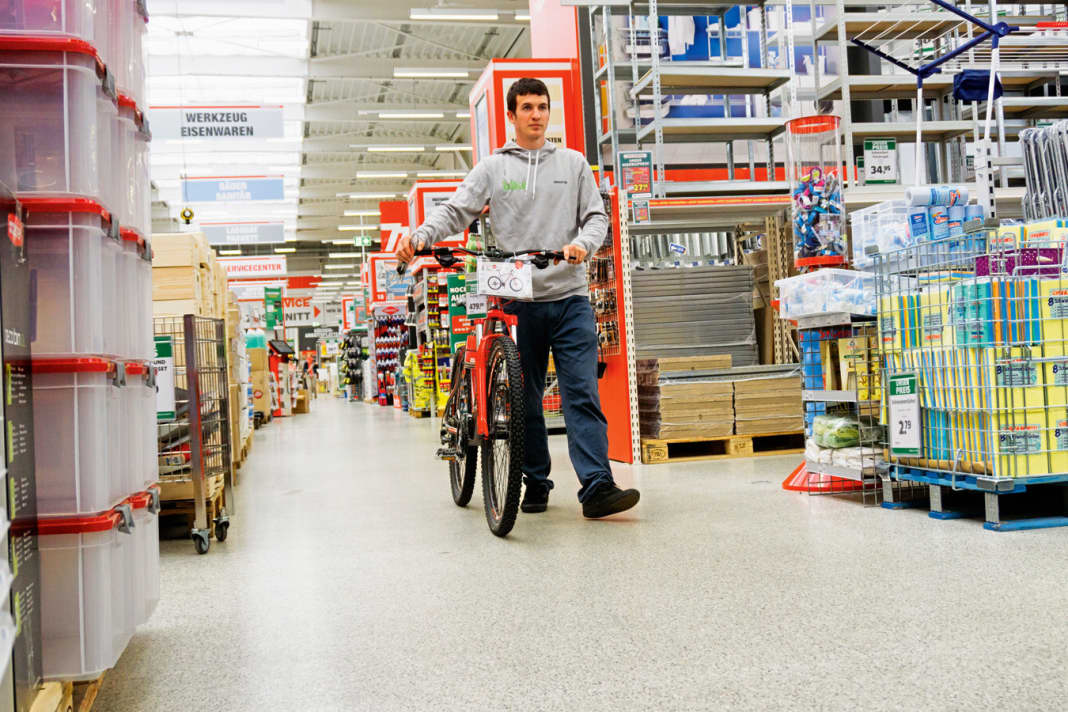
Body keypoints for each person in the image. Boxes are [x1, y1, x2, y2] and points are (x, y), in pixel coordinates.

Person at [395, 77, 639, 519]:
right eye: (526, 107)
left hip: (569, 297)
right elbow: (456, 209)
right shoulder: (493, 168)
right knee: (523, 397)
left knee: (580, 393)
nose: (535, 114)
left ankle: (597, 485)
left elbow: (596, 217)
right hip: (516, 301)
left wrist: (583, 243)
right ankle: (535, 481)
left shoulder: (574, 163)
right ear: (511, 115)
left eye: (542, 106)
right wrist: (421, 235)